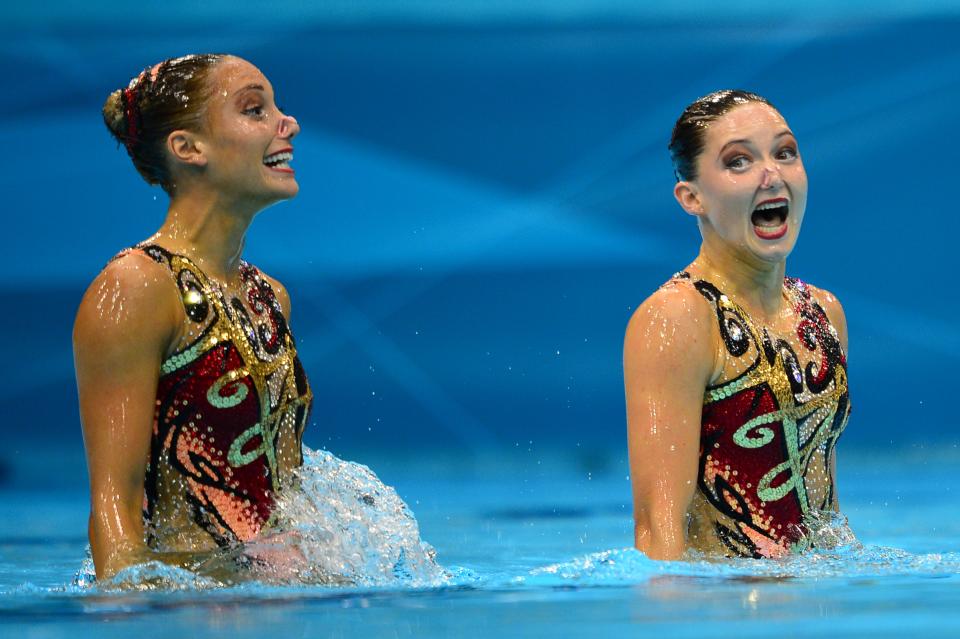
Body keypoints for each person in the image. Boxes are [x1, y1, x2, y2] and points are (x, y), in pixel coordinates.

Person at [74, 54, 311, 580]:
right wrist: (135, 613)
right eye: (255, 109)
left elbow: (284, 503)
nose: (287, 122)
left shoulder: (269, 297)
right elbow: (114, 504)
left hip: (269, 600)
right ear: (187, 147)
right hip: (183, 603)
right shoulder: (136, 289)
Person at [623, 90, 850, 560]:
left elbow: (825, 515)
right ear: (692, 198)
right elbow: (656, 529)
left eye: (785, 153)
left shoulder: (823, 312)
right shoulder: (679, 318)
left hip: (814, 602)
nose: (772, 174)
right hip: (723, 605)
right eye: (739, 162)